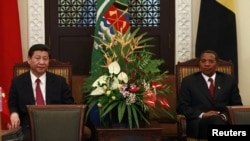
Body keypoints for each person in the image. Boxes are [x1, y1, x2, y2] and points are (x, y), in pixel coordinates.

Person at [7, 44, 96, 141]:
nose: (42, 62)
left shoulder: (59, 81)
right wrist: (14, 114)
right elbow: (12, 103)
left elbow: (70, 105)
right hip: (28, 126)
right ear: (29, 60)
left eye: (45, 59)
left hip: (56, 124)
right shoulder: (18, 82)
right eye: (37, 58)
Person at [177, 50, 242, 139]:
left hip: (224, 120)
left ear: (217, 64)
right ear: (199, 64)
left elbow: (237, 106)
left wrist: (223, 116)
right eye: (203, 61)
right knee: (217, 122)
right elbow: (182, 107)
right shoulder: (188, 81)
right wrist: (203, 114)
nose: (207, 64)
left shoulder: (229, 81)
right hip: (200, 123)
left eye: (211, 61)